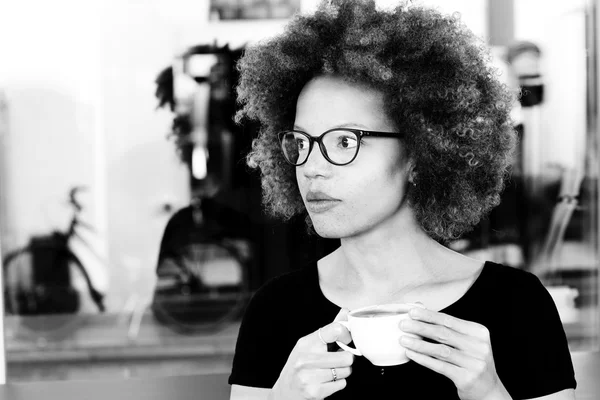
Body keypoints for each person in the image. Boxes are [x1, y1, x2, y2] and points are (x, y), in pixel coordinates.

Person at [228, 1, 577, 399]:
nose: (312, 168)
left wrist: (489, 392)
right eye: (302, 142)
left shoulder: (517, 304)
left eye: (345, 141)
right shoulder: (274, 310)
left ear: (418, 153)